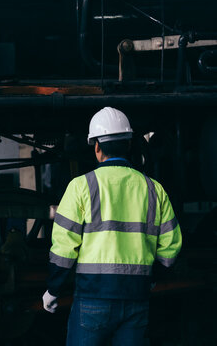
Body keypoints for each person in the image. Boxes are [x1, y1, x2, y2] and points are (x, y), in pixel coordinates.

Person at [42, 107, 182, 345]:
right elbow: (171, 247)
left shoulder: (81, 187)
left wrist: (53, 289)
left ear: (96, 146)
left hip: (92, 298)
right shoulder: (153, 189)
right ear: (128, 145)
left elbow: (63, 248)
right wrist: (151, 277)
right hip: (136, 298)